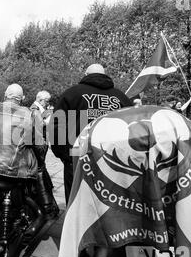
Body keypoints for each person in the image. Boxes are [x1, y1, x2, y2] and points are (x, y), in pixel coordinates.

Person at [0, 84, 55, 225]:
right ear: (22, 99)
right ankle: (46, 208)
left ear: (5, 95)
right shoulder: (28, 113)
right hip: (10, 169)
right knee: (38, 166)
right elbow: (39, 145)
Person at [50, 64, 132, 203]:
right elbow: (133, 129)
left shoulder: (72, 93)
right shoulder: (121, 98)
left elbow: (57, 125)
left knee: (77, 203)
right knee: (109, 203)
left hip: (78, 157)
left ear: (86, 74)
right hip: (113, 159)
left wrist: (64, 154)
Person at [30, 90, 59, 218]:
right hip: (39, 145)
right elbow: (38, 129)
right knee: (40, 172)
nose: (48, 103)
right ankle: (47, 205)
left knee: (41, 172)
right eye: (47, 101)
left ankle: (46, 202)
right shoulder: (35, 109)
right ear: (41, 100)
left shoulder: (39, 109)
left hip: (41, 144)